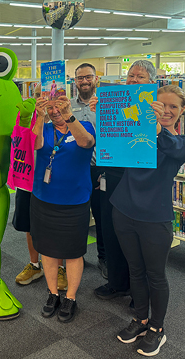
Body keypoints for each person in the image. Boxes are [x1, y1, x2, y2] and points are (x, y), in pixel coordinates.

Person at [111, 84, 185, 356]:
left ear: (182, 112)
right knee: (135, 270)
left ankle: (157, 328)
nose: (167, 111)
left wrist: (156, 128)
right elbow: (116, 131)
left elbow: (172, 147)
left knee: (156, 275)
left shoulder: (182, 143)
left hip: (154, 218)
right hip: (123, 209)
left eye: (173, 107)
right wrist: (105, 109)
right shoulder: (137, 129)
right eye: (161, 105)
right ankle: (140, 320)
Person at [90, 60, 159, 303]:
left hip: (139, 177)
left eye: (139, 77)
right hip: (112, 173)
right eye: (130, 76)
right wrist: (101, 111)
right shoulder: (116, 100)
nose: (133, 80)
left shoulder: (156, 106)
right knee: (110, 230)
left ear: (152, 82)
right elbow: (110, 135)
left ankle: (139, 291)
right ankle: (118, 282)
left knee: (136, 236)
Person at [30, 94, 95, 323]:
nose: (54, 109)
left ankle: (71, 297)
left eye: (59, 104)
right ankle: (53, 293)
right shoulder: (44, 127)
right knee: (47, 250)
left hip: (74, 199)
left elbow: (86, 143)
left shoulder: (84, 124)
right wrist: (39, 115)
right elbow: (34, 145)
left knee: (73, 251)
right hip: (44, 198)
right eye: (50, 105)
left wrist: (68, 117)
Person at [14, 84, 67, 291]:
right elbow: (20, 141)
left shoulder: (61, 122)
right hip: (27, 181)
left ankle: (60, 267)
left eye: (48, 98)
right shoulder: (26, 118)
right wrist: (37, 116)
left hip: (53, 183)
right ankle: (35, 264)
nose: (43, 101)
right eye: (38, 96)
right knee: (29, 225)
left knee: (56, 226)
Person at [70, 63, 106, 279]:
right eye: (80, 78)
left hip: (98, 169)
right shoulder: (67, 106)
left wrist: (102, 110)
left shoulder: (106, 105)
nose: (84, 81)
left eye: (88, 77)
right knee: (76, 216)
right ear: (75, 81)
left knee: (102, 216)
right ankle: (76, 257)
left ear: (96, 79)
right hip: (74, 170)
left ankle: (104, 258)